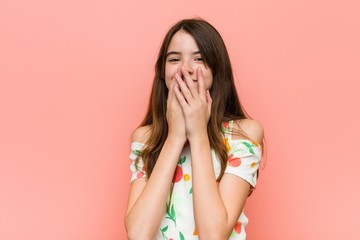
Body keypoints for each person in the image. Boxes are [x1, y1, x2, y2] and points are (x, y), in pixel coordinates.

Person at [125, 18, 265, 240]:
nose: (186, 68)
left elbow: (214, 235)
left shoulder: (244, 134)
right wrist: (174, 137)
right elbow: (138, 235)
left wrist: (198, 134)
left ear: (217, 67)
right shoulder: (146, 138)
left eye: (199, 58)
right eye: (174, 59)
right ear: (162, 71)